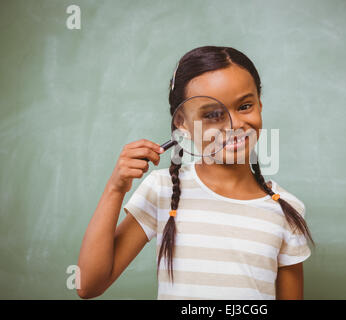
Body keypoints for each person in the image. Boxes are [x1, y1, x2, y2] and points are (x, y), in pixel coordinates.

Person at [77, 45, 315, 300]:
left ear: (260, 104)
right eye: (212, 114)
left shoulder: (286, 209)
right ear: (182, 124)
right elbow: (89, 285)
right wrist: (115, 188)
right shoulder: (162, 189)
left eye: (245, 106)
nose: (233, 125)